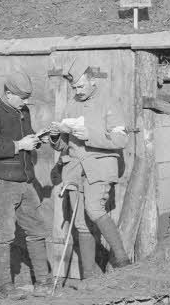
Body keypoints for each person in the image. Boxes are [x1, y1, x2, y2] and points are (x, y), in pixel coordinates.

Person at [49, 66, 132, 280]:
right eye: (74, 87)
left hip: (99, 167)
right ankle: (88, 278)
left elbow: (121, 139)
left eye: (81, 86)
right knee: (80, 223)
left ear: (93, 80)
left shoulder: (109, 102)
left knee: (94, 209)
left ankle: (122, 260)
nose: (77, 91)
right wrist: (56, 136)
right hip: (75, 169)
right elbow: (63, 145)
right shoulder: (72, 104)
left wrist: (90, 135)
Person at [0, 70, 52, 299]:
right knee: (5, 234)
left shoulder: (22, 110)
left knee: (37, 230)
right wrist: (19, 145)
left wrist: (38, 138)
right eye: (22, 97)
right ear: (8, 93)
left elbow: (26, 136)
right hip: (2, 183)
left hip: (25, 181)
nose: (26, 102)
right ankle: (5, 287)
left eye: (28, 97)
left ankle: (43, 283)